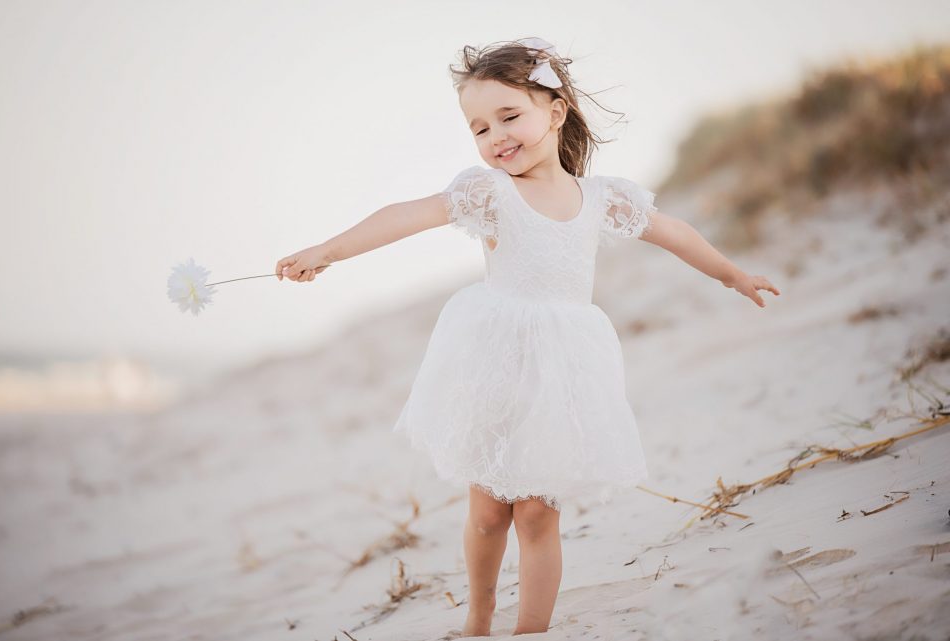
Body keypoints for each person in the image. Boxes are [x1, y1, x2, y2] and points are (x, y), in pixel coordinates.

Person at [275, 37, 780, 637]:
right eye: (479, 128)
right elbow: (404, 215)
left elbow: (672, 231)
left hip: (563, 367)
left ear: (556, 111)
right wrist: (327, 252)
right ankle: (480, 616)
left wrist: (733, 275)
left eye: (510, 116)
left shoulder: (600, 198)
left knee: (539, 514)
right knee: (489, 513)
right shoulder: (490, 193)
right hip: (493, 362)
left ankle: (531, 630)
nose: (495, 137)